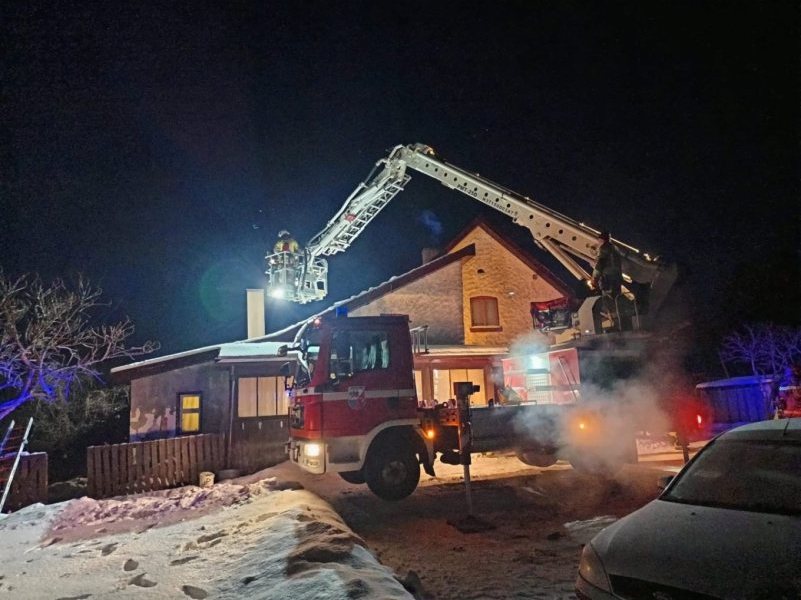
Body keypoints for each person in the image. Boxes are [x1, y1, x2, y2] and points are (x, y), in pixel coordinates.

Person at [591, 231, 623, 297]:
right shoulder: (615, 248)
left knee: (608, 298)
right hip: (617, 276)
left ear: (602, 240)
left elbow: (600, 264)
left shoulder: (604, 248)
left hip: (608, 278)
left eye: (599, 240)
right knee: (617, 296)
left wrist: (594, 278)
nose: (598, 243)